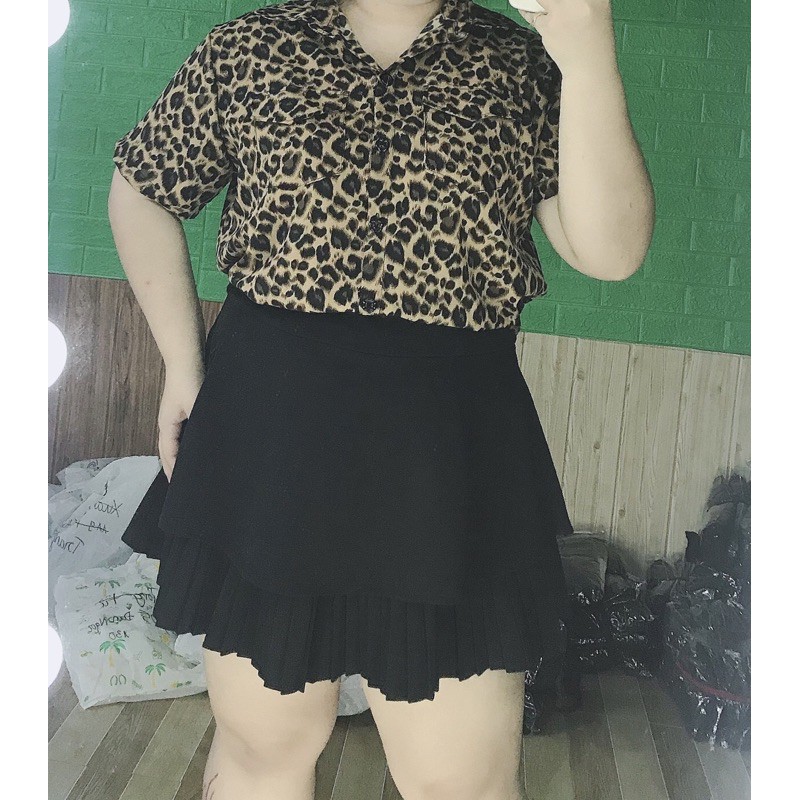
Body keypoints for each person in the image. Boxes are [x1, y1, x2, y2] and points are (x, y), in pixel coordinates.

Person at [107, 0, 654, 798]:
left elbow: (611, 252)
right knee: (264, 751)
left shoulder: (519, 63)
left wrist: (586, 45)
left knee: (460, 780)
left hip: (449, 454)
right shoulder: (253, 47)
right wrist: (183, 367)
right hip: (269, 441)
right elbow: (143, 187)